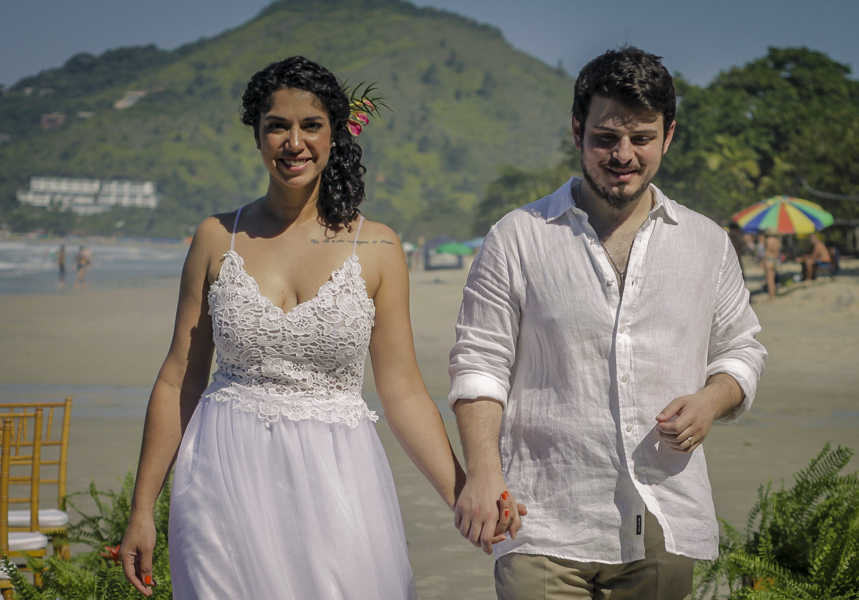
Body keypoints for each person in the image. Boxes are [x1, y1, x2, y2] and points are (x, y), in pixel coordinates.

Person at [119, 56, 519, 600]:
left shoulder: (377, 247)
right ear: (257, 135)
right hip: (222, 475)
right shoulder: (216, 237)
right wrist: (143, 510)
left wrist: (464, 493)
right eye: (277, 126)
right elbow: (178, 379)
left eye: (311, 125)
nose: (294, 142)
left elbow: (403, 392)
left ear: (335, 134)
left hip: (338, 480)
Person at [449, 46, 767, 600]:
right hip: (541, 518)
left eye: (642, 138)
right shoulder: (517, 237)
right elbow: (480, 364)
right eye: (606, 137)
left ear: (668, 136)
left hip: (664, 519)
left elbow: (741, 350)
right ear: (578, 131)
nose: (623, 155)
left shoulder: (706, 243)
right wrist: (483, 473)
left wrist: (711, 401)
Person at [761, 233, 782, 301]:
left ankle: (771, 297)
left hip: (769, 260)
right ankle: (773, 295)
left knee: (769, 280)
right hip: (775, 260)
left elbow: (767, 251)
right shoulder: (777, 240)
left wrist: (762, 261)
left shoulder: (769, 240)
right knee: (772, 280)